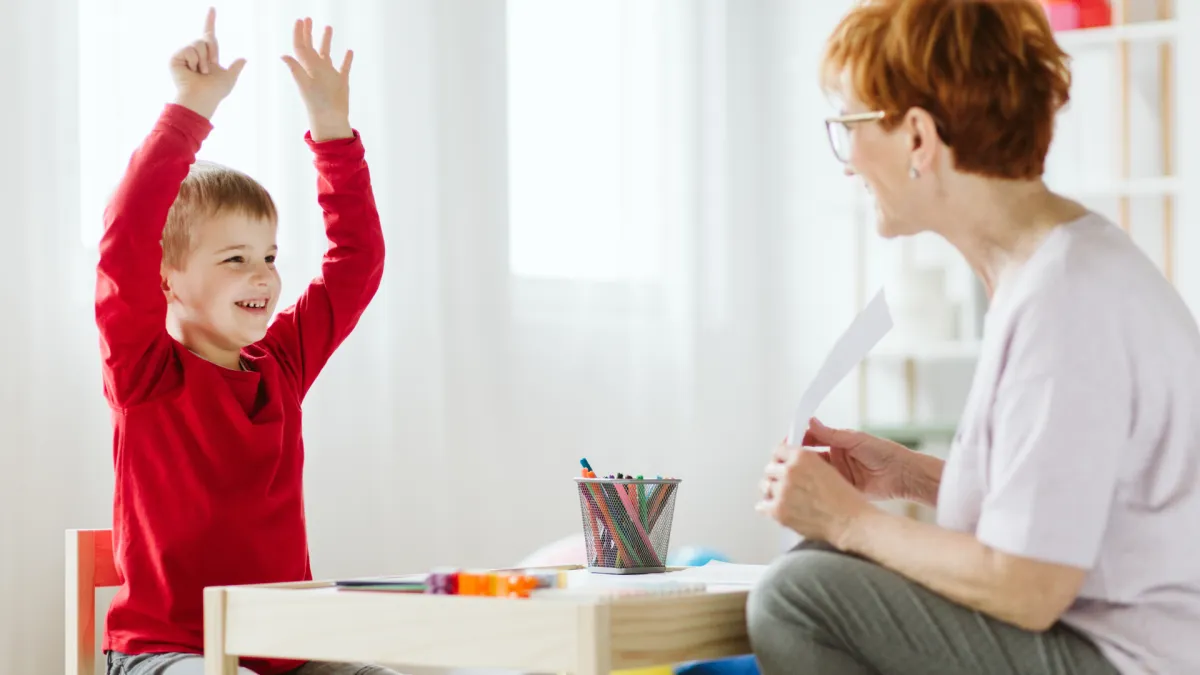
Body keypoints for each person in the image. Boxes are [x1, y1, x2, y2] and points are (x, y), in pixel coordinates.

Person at [748, 1, 1200, 674]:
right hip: (1108, 643)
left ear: (919, 139)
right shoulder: (1053, 269)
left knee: (797, 597)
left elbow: (1029, 584)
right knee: (818, 564)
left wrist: (851, 520)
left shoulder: (1066, 300)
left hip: (1124, 661)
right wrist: (905, 475)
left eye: (849, 125)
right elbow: (1061, 504)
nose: (846, 162)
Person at [95, 9, 397, 675]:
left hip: (281, 657)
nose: (262, 273)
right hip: (165, 653)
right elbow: (124, 240)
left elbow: (356, 266)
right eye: (234, 259)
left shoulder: (281, 365)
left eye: (267, 254)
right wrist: (190, 110)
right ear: (166, 279)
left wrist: (332, 129)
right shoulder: (145, 372)